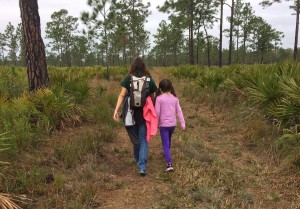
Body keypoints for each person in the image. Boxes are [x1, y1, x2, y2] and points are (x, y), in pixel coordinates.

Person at [113, 57, 157, 176]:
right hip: (144, 115)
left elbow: (122, 95)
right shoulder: (149, 79)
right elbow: (152, 98)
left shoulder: (128, 78)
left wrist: (116, 110)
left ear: (132, 66)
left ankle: (138, 160)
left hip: (130, 114)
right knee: (143, 140)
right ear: (144, 66)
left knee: (136, 140)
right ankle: (142, 166)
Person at [155, 79, 185, 172]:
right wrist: (183, 124)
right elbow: (179, 112)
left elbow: (157, 113)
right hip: (172, 124)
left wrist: (156, 124)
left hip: (163, 125)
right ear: (170, 87)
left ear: (160, 89)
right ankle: (167, 156)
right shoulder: (175, 98)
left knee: (165, 143)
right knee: (168, 140)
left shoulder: (159, 99)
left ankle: (169, 163)